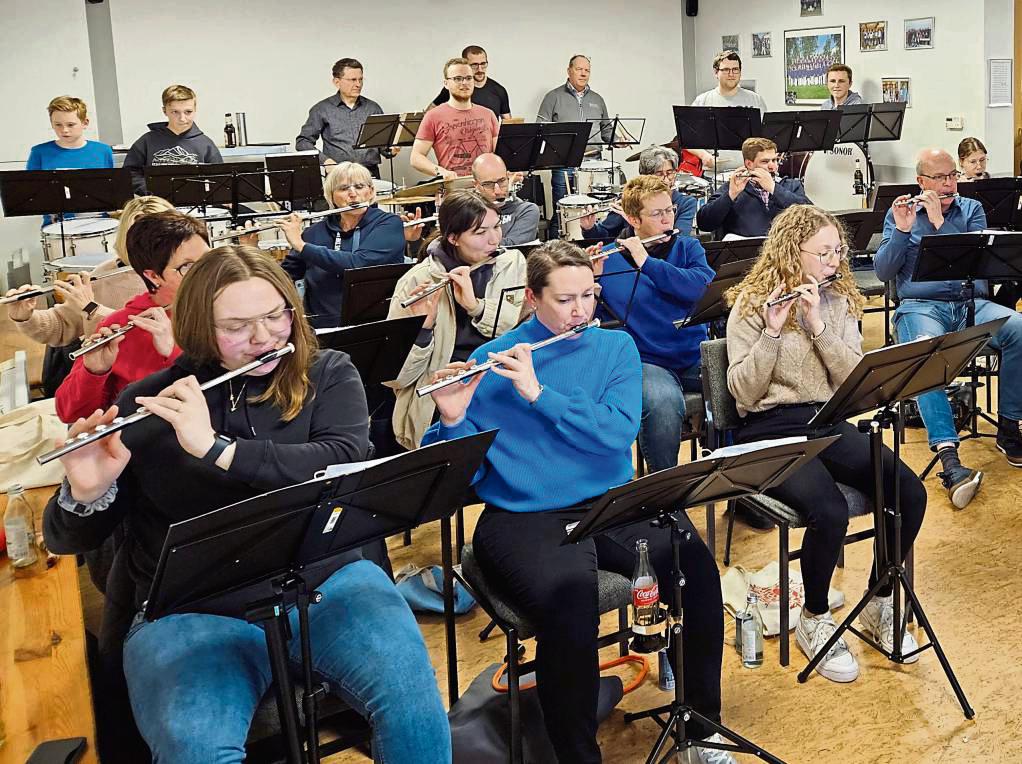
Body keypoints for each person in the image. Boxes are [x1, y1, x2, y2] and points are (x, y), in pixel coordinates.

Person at [43, 246, 450, 763]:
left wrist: (217, 450)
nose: (264, 338)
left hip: (329, 581)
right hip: (193, 610)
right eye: (236, 326)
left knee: (413, 707)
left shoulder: (327, 372)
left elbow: (340, 457)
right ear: (195, 328)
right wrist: (86, 492)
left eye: (274, 315)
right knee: (196, 750)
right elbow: (66, 540)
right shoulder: (151, 402)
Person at [421, 240, 732, 764]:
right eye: (566, 300)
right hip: (523, 515)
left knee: (694, 565)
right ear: (532, 298)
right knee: (569, 598)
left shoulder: (616, 349)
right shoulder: (491, 361)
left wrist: (540, 394)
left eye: (589, 294)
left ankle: (701, 725)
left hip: (610, 502)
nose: (582, 310)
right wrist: (451, 419)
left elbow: (615, 435)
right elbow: (448, 481)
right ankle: (578, 756)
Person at [726, 204, 927, 683]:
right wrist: (774, 331)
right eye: (823, 253)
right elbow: (742, 394)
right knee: (829, 511)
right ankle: (814, 617)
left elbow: (850, 378)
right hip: (769, 428)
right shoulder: (751, 304)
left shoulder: (837, 301)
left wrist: (816, 326)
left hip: (828, 419)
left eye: (838, 250)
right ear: (791, 252)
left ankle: (879, 603)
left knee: (910, 492)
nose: (835, 260)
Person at [875, 148, 1022, 503]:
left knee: (1019, 327)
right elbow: (883, 271)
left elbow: (979, 261)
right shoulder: (901, 214)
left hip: (971, 302)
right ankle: (949, 459)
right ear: (921, 181)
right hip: (921, 306)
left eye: (952, 175)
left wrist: (940, 223)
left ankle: (1009, 427)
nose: (949, 183)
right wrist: (903, 231)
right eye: (940, 178)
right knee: (924, 355)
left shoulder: (971, 209)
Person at [386, 190, 526, 450]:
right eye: (480, 232)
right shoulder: (417, 280)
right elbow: (396, 377)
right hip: (441, 397)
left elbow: (516, 332)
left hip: (498, 387)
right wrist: (422, 329)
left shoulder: (511, 263)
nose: (494, 239)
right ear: (453, 238)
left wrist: (476, 307)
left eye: (496, 227)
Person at [594, 175, 713, 474]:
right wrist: (591, 283)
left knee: (740, 383)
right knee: (661, 403)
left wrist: (648, 263)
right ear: (634, 219)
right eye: (657, 213)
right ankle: (665, 494)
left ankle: (738, 485)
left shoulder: (687, 248)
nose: (667, 218)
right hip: (646, 361)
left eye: (669, 210)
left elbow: (702, 288)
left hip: (692, 355)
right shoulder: (609, 260)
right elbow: (595, 321)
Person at [54, 211, 209, 423]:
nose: (208, 273)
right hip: (150, 442)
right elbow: (70, 413)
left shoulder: (230, 308)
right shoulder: (122, 325)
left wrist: (174, 353)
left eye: (208, 260)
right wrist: (94, 372)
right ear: (153, 276)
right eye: (188, 267)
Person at [4, 196, 167, 347]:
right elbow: (62, 325)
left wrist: (90, 308)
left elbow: (146, 333)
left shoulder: (182, 275)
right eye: (140, 239)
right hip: (109, 373)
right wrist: (26, 316)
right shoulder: (104, 273)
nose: (151, 248)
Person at [279, 162, 405, 328]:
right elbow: (283, 277)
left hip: (375, 325)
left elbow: (359, 264)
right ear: (331, 196)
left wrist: (302, 246)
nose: (353, 194)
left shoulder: (389, 224)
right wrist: (250, 248)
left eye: (359, 186)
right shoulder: (313, 233)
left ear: (371, 191)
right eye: (344, 188)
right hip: (322, 329)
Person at [537, 55, 613, 238]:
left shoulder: (598, 99)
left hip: (593, 163)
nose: (583, 73)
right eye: (579, 69)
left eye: (587, 70)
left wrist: (618, 139)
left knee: (594, 212)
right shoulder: (553, 97)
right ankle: (558, 252)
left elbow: (606, 131)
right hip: (564, 163)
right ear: (569, 71)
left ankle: (590, 246)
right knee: (562, 211)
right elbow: (541, 128)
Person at [296, 57, 396, 178]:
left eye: (360, 79)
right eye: (353, 80)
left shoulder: (373, 108)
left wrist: (391, 150)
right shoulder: (321, 109)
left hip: (369, 173)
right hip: (338, 174)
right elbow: (302, 142)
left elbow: (383, 147)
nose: (358, 84)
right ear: (337, 82)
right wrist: (325, 161)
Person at [696, 137, 812, 238]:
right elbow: (704, 224)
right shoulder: (733, 188)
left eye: (775, 160)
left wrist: (773, 189)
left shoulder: (791, 186)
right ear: (749, 164)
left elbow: (810, 216)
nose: (773, 166)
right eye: (765, 162)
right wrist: (730, 195)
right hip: (745, 257)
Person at [579, 146, 698, 240]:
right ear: (645, 176)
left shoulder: (686, 203)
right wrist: (589, 228)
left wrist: (633, 221)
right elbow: (605, 236)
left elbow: (679, 240)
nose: (666, 180)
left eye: (670, 172)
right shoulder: (631, 199)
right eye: (659, 174)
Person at [123, 84, 223, 196]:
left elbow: (219, 179)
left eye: (188, 112)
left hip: (195, 206)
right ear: (164, 111)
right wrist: (149, 191)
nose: (182, 118)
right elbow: (130, 173)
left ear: (195, 110)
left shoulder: (206, 144)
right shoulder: (147, 140)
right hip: (157, 206)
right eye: (175, 112)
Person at [410, 58, 500, 179]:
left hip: (486, 187)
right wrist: (441, 172)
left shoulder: (488, 114)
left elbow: (500, 154)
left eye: (468, 78)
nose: (464, 83)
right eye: (458, 79)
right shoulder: (433, 116)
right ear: (446, 83)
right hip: (454, 191)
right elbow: (416, 157)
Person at [689, 52, 768, 171]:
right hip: (714, 175)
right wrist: (704, 155)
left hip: (749, 173)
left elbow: (765, 138)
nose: (731, 74)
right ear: (716, 72)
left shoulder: (755, 100)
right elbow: (688, 138)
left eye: (735, 69)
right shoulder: (702, 101)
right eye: (726, 70)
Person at [471, 152, 539, 246]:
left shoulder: (526, 210)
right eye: (488, 184)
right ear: (476, 185)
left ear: (508, 177)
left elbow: (512, 246)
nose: (497, 191)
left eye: (501, 181)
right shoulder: (467, 212)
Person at [428, 45, 511, 120]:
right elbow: (428, 114)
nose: (480, 69)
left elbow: (509, 124)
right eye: (474, 65)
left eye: (483, 64)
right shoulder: (454, 87)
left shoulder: (499, 90)